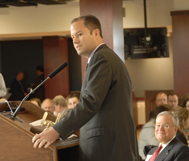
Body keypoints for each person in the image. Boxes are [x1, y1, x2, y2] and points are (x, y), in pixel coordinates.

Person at [32, 15, 139, 161]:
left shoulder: (102, 58)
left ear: (95, 33)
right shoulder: (103, 57)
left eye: (79, 35)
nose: (75, 41)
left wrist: (56, 130)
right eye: (72, 37)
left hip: (107, 149)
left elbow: (89, 103)